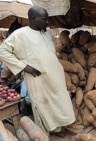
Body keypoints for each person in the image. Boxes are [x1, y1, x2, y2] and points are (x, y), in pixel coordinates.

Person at [0, 6, 75, 137]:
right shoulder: (20, 34)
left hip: (55, 75)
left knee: (60, 101)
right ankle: (44, 133)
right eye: (44, 19)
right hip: (37, 77)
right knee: (42, 105)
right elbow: (3, 51)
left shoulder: (47, 33)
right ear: (33, 19)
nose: (47, 22)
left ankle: (58, 128)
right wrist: (23, 66)